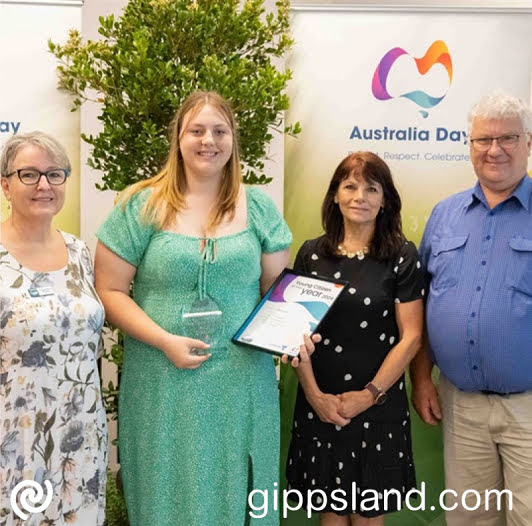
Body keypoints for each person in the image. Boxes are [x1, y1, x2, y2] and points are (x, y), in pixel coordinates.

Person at [94, 91, 316, 526]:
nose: (207, 140)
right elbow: (110, 290)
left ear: (234, 139)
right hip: (162, 381)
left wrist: (296, 333)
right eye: (196, 130)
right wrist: (164, 340)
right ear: (178, 138)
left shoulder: (259, 209)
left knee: (238, 489)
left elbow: (276, 289)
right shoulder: (141, 206)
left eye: (219, 130)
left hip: (241, 384)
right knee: (165, 489)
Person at [410, 91, 532, 526]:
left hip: (528, 408)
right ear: (469, 146)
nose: (494, 149)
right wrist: (421, 377)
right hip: (460, 406)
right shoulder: (444, 215)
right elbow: (421, 305)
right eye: (482, 139)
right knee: (470, 521)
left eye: (507, 138)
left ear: (529, 143)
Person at [285, 152, 424, 525]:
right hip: (321, 403)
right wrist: (316, 398)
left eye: (371, 188)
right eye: (349, 186)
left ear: (385, 200)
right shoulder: (311, 255)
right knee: (330, 515)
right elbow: (294, 332)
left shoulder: (401, 256)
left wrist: (369, 395)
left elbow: (411, 337)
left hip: (376, 405)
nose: (359, 196)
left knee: (367, 517)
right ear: (334, 195)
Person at [0, 132, 107, 525]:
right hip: (15, 437)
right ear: (5, 185)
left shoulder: (79, 251)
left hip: (82, 433)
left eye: (55, 174)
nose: (44, 185)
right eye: (29, 174)